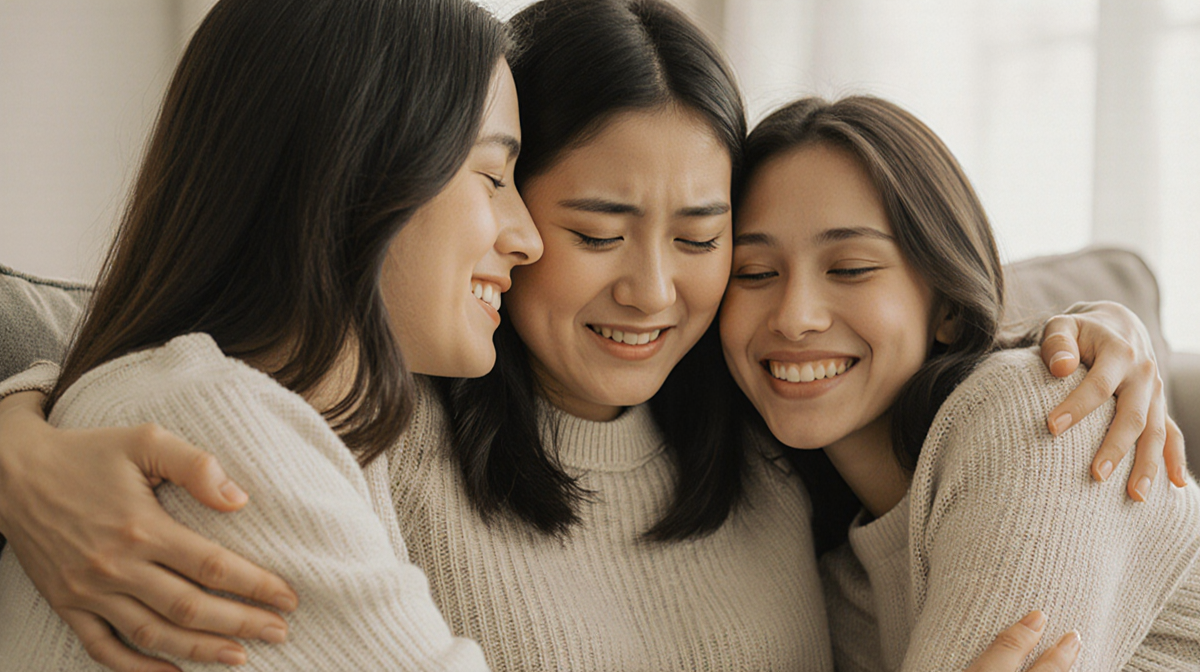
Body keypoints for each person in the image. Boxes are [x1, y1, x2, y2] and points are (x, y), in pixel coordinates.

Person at [0, 0, 1184, 670]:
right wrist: (21, 430)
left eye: (708, 238)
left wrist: (1088, 327)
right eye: (595, 226)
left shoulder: (771, 445)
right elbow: (210, 373)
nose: (657, 290)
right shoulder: (368, 436)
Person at [0, 0, 543, 668]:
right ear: (353, 170)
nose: (529, 238)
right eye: (491, 177)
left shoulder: (317, 422)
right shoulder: (207, 426)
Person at [719, 94, 1200, 670]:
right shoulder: (837, 588)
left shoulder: (1042, 412)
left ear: (947, 306)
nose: (794, 317)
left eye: (850, 269)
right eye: (754, 273)